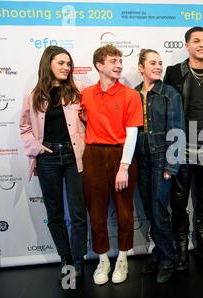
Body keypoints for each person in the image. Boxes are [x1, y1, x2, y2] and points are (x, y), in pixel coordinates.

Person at [19, 46, 87, 285]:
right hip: (47, 158)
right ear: (48, 64)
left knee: (78, 213)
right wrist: (37, 148)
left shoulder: (76, 92)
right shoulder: (34, 95)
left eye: (68, 64)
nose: (66, 68)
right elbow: (25, 128)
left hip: (73, 157)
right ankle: (66, 259)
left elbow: (86, 120)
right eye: (61, 63)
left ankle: (78, 260)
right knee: (55, 213)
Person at [80, 44, 143, 285]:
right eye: (113, 61)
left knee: (125, 211)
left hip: (121, 155)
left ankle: (123, 258)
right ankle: (103, 259)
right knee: (96, 213)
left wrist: (124, 167)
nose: (119, 65)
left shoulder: (130, 95)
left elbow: (132, 133)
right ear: (99, 65)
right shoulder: (85, 94)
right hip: (93, 156)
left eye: (120, 61)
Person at [164, 26, 203, 270]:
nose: (202, 44)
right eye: (197, 41)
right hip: (180, 146)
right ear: (187, 45)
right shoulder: (173, 73)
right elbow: (159, 100)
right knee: (178, 202)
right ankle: (180, 249)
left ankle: (202, 246)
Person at [134, 49, 184, 283]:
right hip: (140, 159)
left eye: (160, 63)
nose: (158, 66)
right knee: (147, 208)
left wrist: (171, 165)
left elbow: (177, 131)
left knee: (159, 210)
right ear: (141, 67)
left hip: (161, 159)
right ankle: (159, 251)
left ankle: (168, 259)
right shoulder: (133, 94)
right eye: (152, 63)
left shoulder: (169, 94)